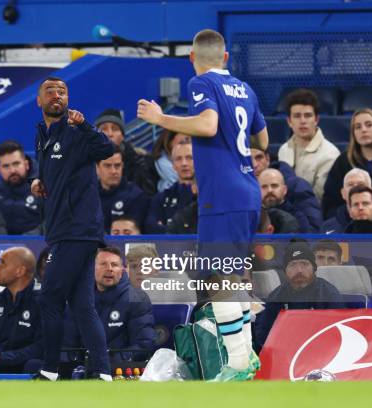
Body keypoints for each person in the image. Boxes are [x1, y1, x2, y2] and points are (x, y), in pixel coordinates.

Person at [137, 29, 268, 381]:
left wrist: (160, 118)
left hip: (222, 194)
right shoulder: (246, 89)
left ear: (191, 58)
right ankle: (247, 355)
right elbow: (263, 138)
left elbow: (208, 126)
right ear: (226, 57)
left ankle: (238, 362)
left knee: (218, 277)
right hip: (248, 190)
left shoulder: (201, 84)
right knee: (234, 274)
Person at [31, 77, 115, 381]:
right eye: (50, 91)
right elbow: (53, 170)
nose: (57, 95)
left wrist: (86, 126)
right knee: (82, 305)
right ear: (39, 101)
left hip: (76, 229)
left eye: (62, 92)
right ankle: (102, 373)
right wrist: (39, 182)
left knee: (50, 298)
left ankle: (49, 370)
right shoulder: (43, 134)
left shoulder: (76, 131)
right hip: (65, 228)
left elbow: (107, 148)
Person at [63, 247, 155, 363]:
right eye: (103, 264)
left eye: (114, 265)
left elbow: (143, 345)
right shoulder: (78, 298)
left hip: (120, 372)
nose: (109, 269)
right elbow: (67, 346)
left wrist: (106, 363)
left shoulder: (137, 297)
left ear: (122, 271)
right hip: (82, 371)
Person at [253, 242, 343, 350]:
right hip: (284, 355)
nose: (299, 270)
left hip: (320, 355)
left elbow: (338, 334)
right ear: (285, 271)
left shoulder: (328, 294)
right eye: (293, 265)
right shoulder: (276, 296)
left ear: (314, 268)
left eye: (304, 264)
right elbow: (263, 335)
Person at [277, 89, 340, 202]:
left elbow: (319, 198)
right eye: (297, 116)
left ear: (316, 119)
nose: (303, 121)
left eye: (308, 115)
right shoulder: (283, 150)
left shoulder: (330, 154)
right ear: (289, 121)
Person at [250, 141, 322, 231]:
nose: (254, 165)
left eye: (259, 158)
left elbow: (313, 234)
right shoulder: (237, 191)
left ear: (267, 159)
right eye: (247, 159)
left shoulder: (297, 186)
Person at [323, 108, 372, 218]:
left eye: (369, 125)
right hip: (349, 225)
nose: (363, 130)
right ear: (353, 133)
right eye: (357, 127)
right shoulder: (343, 161)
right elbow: (330, 203)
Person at [94, 108, 157, 194]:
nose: (109, 133)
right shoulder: (83, 162)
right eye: (104, 129)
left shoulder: (140, 163)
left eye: (115, 129)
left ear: (122, 136)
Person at [0, 140, 43, 235]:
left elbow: (56, 221)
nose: (12, 170)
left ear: (26, 164)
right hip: (0, 247)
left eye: (16, 164)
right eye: (6, 166)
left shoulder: (44, 188)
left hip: (40, 246)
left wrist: (29, 238)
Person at [145, 141, 197, 234]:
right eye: (178, 159)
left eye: (190, 158)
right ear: (173, 164)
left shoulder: (208, 196)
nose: (184, 163)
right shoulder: (160, 199)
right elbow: (153, 229)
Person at [97, 151, 149, 233]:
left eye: (117, 166)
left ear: (122, 166)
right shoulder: (86, 196)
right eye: (107, 166)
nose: (113, 171)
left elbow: (131, 233)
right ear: (97, 168)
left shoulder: (136, 196)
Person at [321, 168, 372, 234]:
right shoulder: (327, 227)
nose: (355, 188)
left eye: (360, 184)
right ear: (343, 193)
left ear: (371, 191)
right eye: (350, 185)